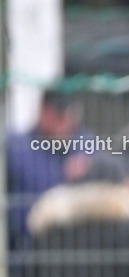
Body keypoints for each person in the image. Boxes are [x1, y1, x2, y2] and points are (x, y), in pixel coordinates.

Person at [6, 88, 92, 253]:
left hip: (68, 251)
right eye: (58, 114)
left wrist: (88, 167)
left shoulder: (84, 145)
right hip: (24, 250)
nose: (63, 121)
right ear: (43, 112)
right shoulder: (16, 147)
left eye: (67, 115)